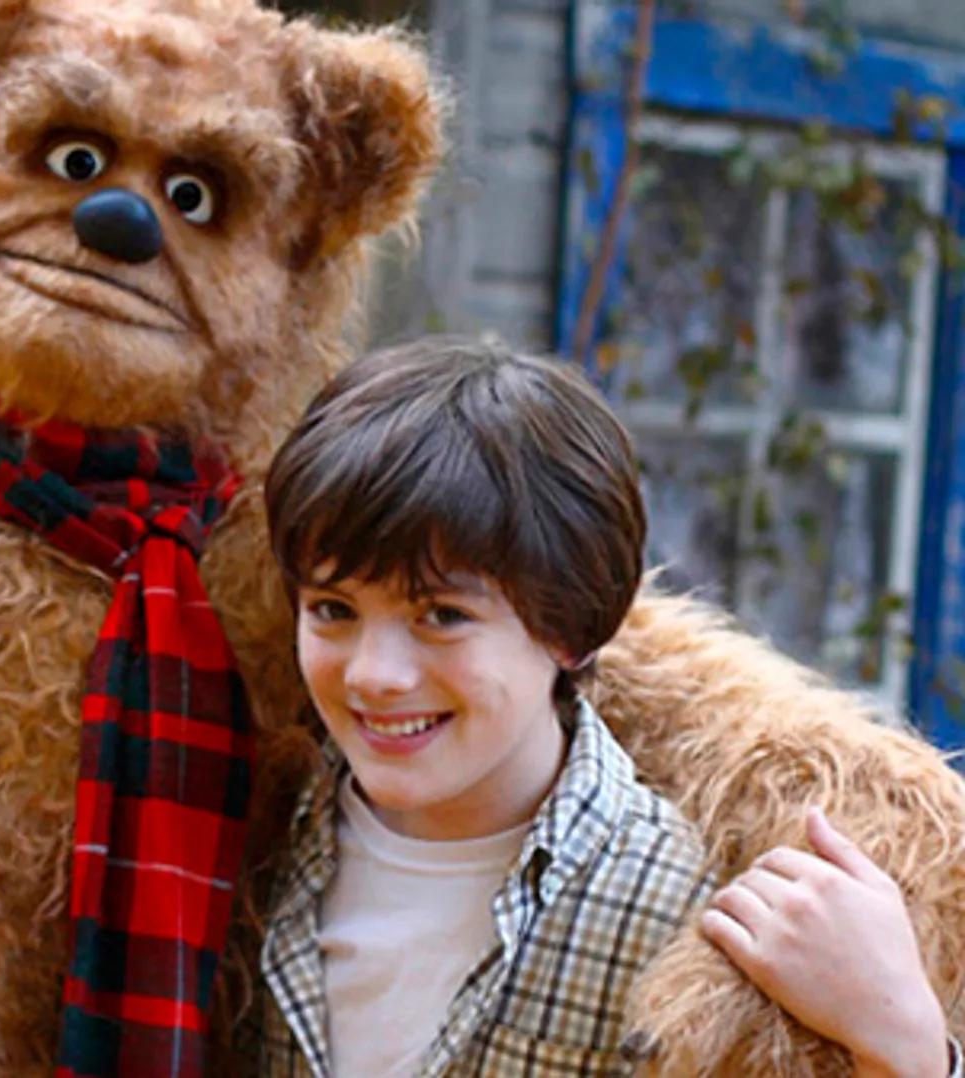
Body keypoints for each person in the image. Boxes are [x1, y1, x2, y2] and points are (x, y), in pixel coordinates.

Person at [248, 336, 954, 1076]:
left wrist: (907, 1043)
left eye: (442, 616)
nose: (374, 674)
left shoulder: (688, 921)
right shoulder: (257, 847)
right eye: (333, 609)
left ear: (568, 628)